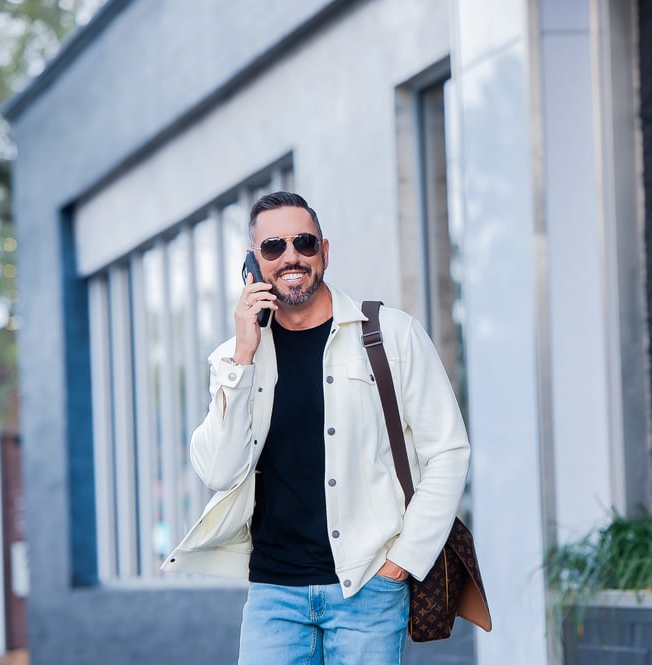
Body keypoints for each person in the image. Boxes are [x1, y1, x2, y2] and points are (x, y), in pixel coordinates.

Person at [162, 191, 471, 665]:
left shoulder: (391, 335)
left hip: (367, 588)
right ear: (253, 263)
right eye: (272, 247)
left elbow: (448, 451)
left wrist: (402, 563)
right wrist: (243, 357)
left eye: (303, 243)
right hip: (273, 598)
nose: (291, 257)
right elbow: (219, 473)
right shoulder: (233, 357)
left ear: (324, 252)